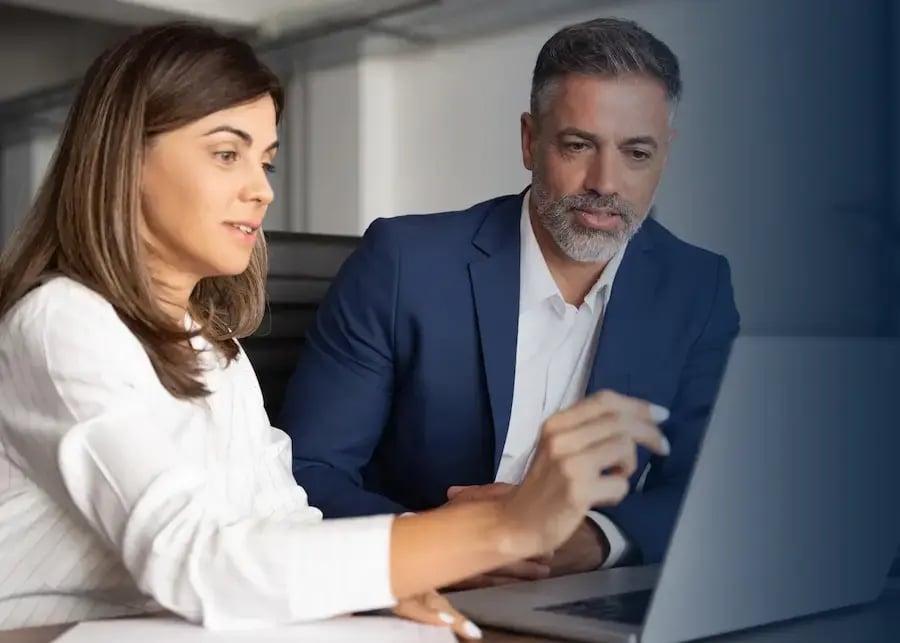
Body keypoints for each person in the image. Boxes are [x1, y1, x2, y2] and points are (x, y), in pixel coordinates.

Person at [0, 22, 668, 636]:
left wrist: (379, 583)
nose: (261, 188)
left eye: (265, 160)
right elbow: (192, 556)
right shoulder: (62, 322)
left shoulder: (213, 347)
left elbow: (281, 520)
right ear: (126, 161)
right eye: (227, 154)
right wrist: (499, 527)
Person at [281, 17, 740, 588]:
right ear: (529, 141)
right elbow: (304, 474)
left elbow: (711, 493)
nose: (607, 182)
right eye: (578, 145)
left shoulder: (697, 287)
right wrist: (443, 545)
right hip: (427, 597)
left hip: (580, 592)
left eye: (636, 153)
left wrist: (595, 540)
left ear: (664, 155)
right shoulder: (403, 262)